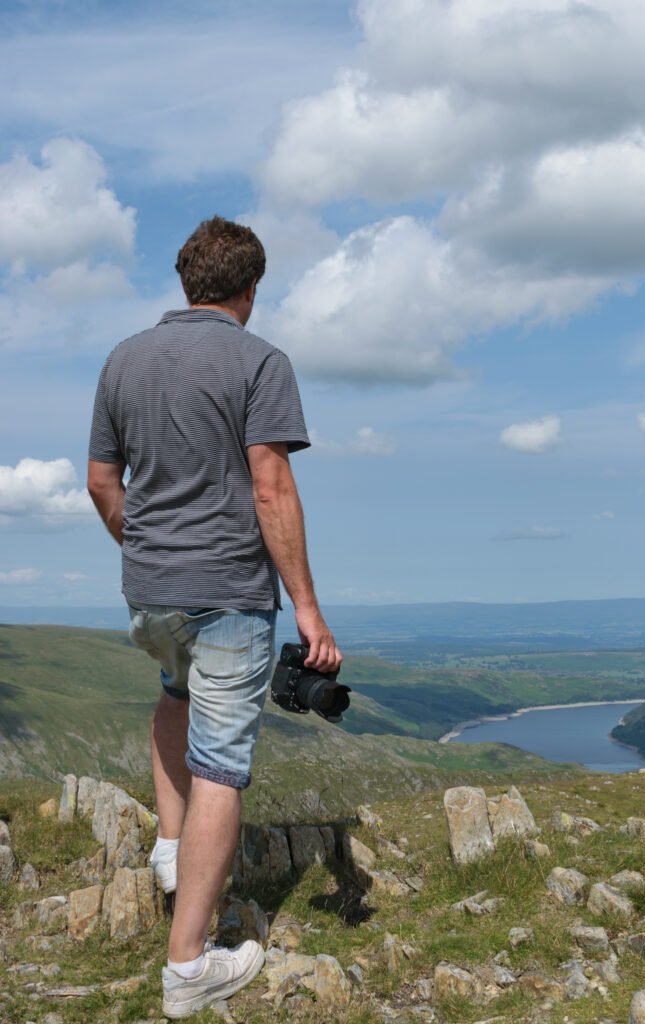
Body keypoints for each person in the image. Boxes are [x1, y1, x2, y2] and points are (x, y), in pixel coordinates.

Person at [87, 216, 342, 1019]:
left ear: (187, 280)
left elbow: (101, 483)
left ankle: (171, 853)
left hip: (148, 593)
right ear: (250, 288)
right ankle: (188, 966)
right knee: (223, 765)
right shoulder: (259, 361)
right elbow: (270, 488)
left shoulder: (123, 359)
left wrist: (150, 550)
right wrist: (306, 607)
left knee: (175, 695)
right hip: (228, 593)